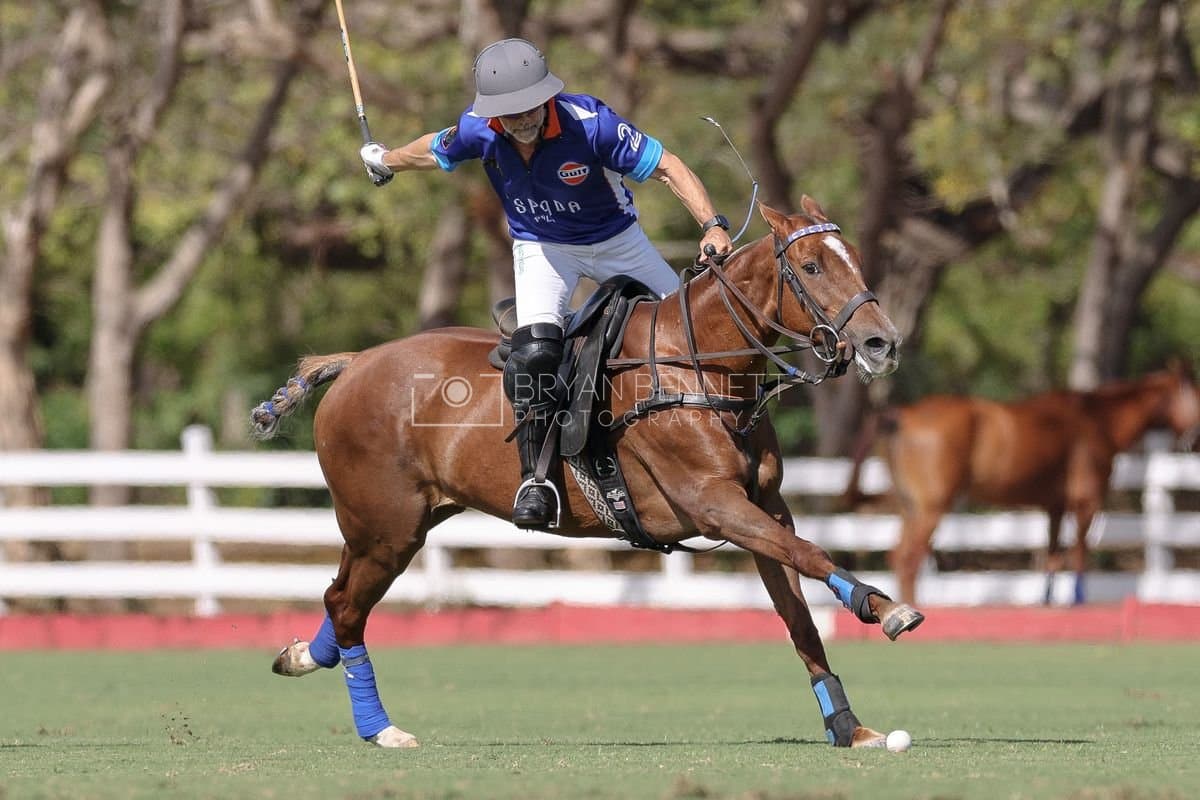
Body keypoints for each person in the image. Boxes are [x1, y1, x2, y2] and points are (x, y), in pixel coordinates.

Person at [360, 37, 734, 530]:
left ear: (547, 96)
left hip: (619, 241)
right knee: (535, 354)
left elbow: (667, 166)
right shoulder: (481, 130)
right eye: (509, 113)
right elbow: (434, 149)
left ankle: (733, 437)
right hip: (543, 248)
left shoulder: (592, 124)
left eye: (530, 107)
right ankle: (536, 480)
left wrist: (712, 223)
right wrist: (385, 160)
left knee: (691, 337)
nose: (522, 120)